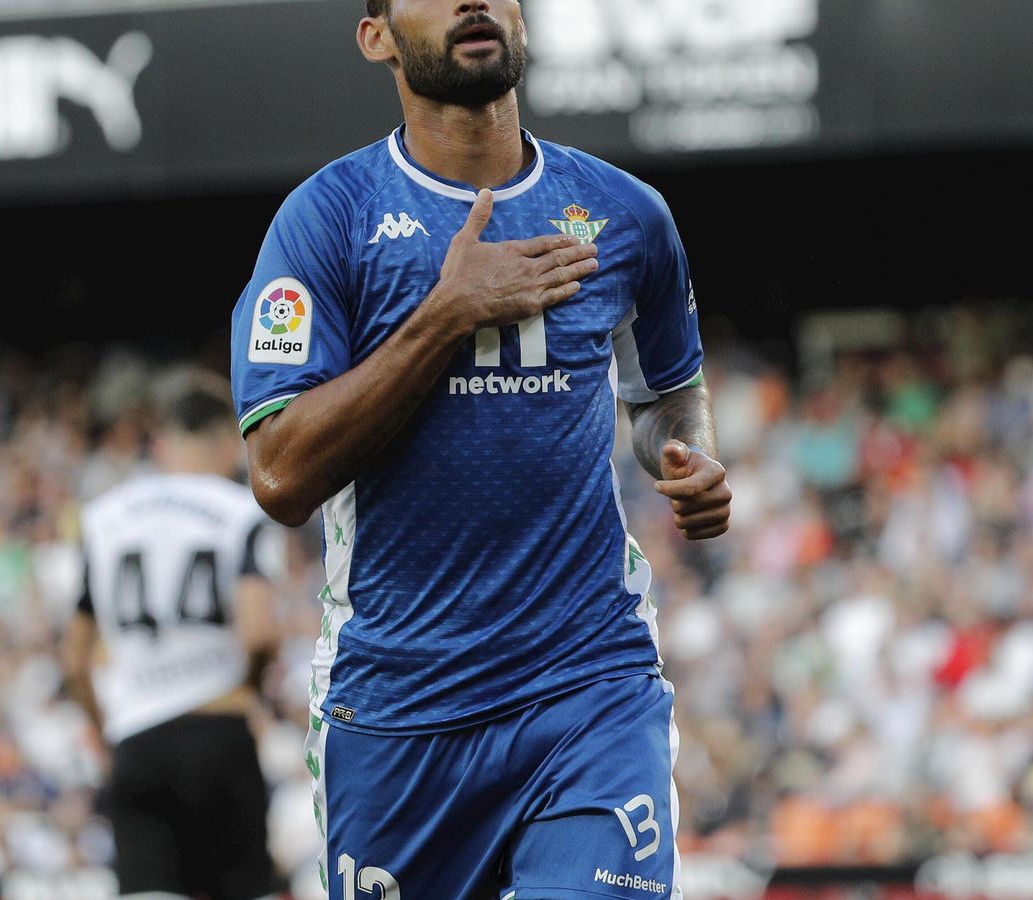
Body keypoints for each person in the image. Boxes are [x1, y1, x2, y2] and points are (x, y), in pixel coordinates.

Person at [227, 0, 732, 896]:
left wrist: (684, 458)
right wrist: (447, 314)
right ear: (376, 37)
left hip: (588, 684)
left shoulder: (626, 214)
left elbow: (664, 401)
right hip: (399, 706)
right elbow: (279, 475)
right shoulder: (326, 221)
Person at [63, 386, 283, 900]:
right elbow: (261, 633)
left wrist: (107, 735)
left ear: (163, 444)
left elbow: (73, 661)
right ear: (227, 443)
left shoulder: (103, 517)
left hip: (137, 735)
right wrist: (248, 691)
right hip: (218, 725)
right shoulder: (240, 509)